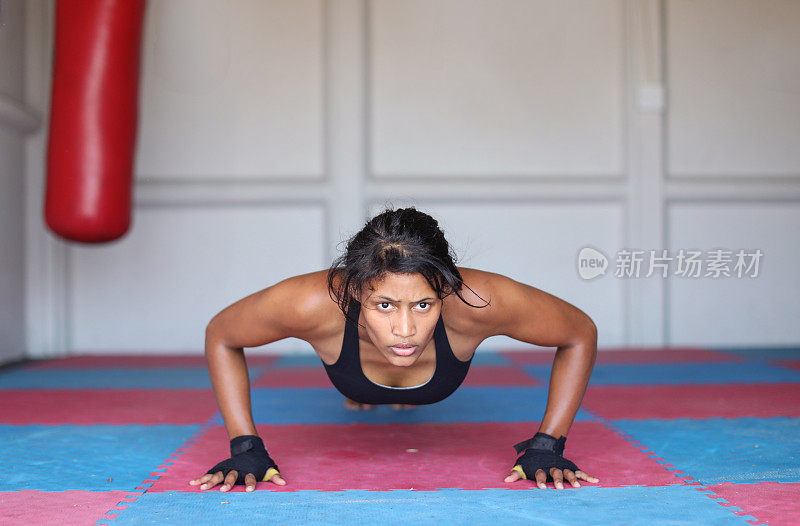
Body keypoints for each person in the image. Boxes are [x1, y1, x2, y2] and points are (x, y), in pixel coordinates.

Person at [189, 207, 599, 493]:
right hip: (354, 371)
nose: (406, 332)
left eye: (424, 305)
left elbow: (579, 332)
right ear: (353, 290)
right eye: (385, 305)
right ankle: (366, 394)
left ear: (445, 289)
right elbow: (221, 334)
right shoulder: (312, 303)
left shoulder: (478, 300)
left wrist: (548, 444)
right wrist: (245, 445)